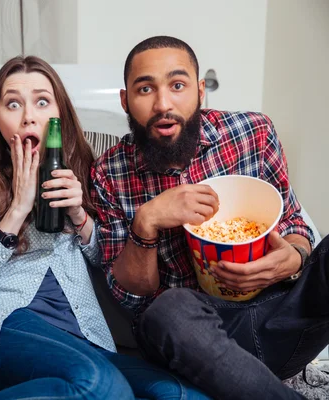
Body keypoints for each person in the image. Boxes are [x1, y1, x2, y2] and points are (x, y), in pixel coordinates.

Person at [0, 55, 210, 400]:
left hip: (84, 334)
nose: (29, 116)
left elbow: (109, 259)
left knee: (181, 394)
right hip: (9, 325)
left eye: (42, 101)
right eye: (13, 103)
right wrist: (18, 208)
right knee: (99, 385)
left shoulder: (83, 167)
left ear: (58, 114)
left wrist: (79, 215)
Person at [91, 35, 329, 400]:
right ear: (125, 100)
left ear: (200, 91)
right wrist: (147, 221)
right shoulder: (109, 172)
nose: (163, 104)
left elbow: (294, 224)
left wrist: (293, 259)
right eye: (145, 89)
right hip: (192, 338)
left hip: (277, 314)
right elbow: (132, 297)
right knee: (167, 309)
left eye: (177, 85)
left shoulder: (253, 133)